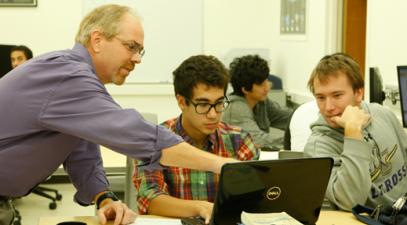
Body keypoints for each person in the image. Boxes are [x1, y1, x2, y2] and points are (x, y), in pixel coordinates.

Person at [0, 4, 236, 225]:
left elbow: (83, 157)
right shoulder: (67, 75)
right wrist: (225, 166)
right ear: (97, 40)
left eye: (140, 50)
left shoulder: (76, 84)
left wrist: (105, 198)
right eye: (131, 47)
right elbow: (137, 134)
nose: (137, 58)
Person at [133, 55, 260, 223]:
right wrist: (201, 207)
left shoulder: (240, 141)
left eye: (219, 103)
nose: (213, 114)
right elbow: (150, 199)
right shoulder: (155, 141)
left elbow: (255, 200)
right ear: (182, 102)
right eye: (203, 104)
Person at [303, 53, 407, 211]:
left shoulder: (382, 114)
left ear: (358, 93)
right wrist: (352, 133)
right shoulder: (319, 147)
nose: (328, 107)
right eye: (321, 98)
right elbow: (350, 201)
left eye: (337, 95)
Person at [222, 54, 293, 149]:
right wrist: (294, 139)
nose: (267, 87)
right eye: (261, 84)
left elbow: (288, 118)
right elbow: (257, 141)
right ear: (245, 89)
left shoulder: (260, 102)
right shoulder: (236, 109)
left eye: (266, 81)